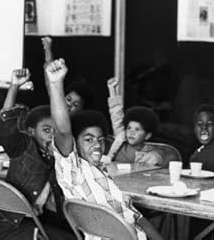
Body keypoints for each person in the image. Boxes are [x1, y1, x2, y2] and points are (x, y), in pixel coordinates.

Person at [45, 59, 163, 240]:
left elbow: (136, 216)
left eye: (100, 140)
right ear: (74, 143)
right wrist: (55, 84)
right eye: (88, 139)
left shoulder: (104, 176)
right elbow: (62, 129)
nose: (97, 145)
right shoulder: (74, 171)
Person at [0, 68, 74, 240]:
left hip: (43, 221)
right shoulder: (22, 147)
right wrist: (14, 85)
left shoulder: (61, 155)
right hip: (16, 225)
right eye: (46, 130)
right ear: (30, 132)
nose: (53, 135)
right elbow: (6, 125)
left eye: (55, 131)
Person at [104, 77, 162, 166]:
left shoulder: (148, 152)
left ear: (147, 135)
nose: (131, 132)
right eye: (129, 128)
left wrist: (156, 159)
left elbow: (158, 159)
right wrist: (112, 90)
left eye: (137, 129)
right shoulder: (121, 140)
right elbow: (116, 114)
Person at [41, 37, 95, 114]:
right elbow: (49, 81)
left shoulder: (80, 124)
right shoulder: (56, 109)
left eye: (75, 104)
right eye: (68, 99)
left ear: (81, 110)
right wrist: (47, 48)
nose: (69, 104)